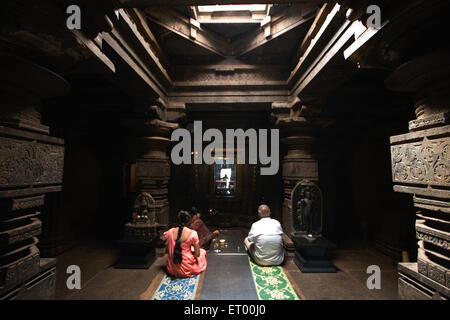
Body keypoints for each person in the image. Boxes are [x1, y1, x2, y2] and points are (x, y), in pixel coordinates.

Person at [164, 210, 207, 278]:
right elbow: (197, 254)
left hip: (172, 269)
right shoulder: (193, 233)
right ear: (189, 221)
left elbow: (167, 250)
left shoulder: (169, 232)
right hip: (187, 269)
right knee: (202, 252)